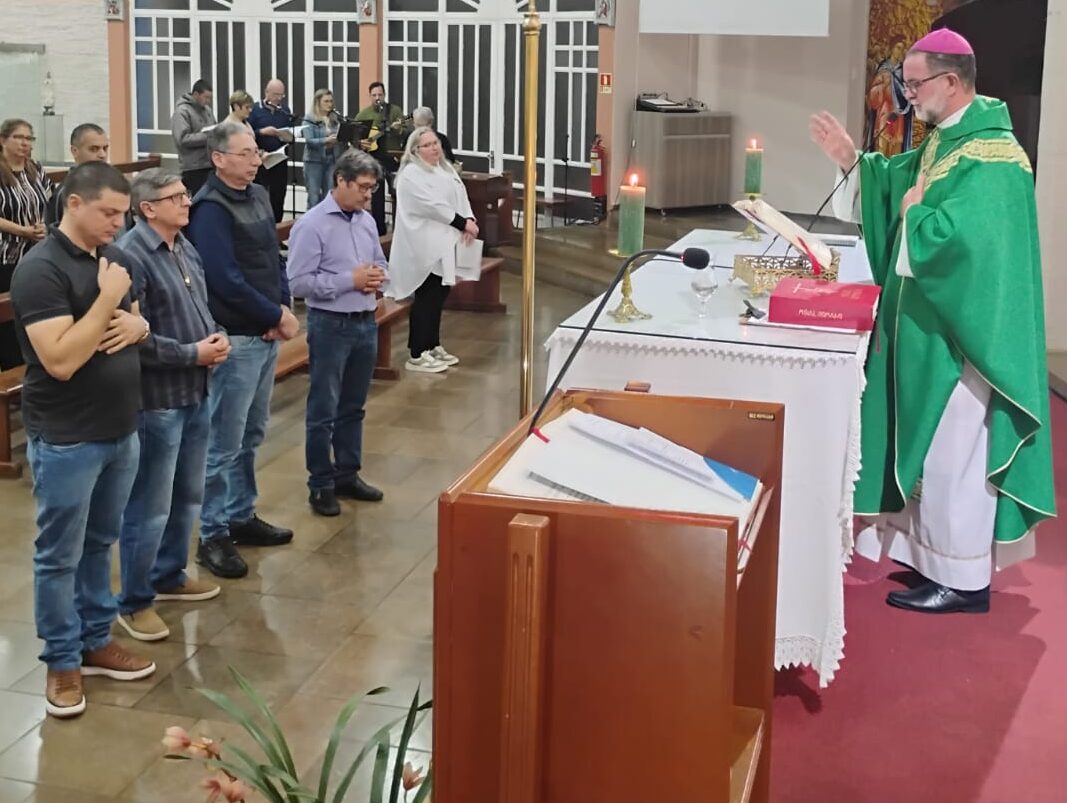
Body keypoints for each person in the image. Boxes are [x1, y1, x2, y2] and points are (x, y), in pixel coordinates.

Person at [810, 28, 1055, 614]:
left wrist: (916, 216)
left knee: (956, 455)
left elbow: (969, 246)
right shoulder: (947, 141)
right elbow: (898, 181)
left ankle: (963, 580)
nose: (908, 94)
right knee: (934, 451)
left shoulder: (995, 156)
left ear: (951, 81)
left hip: (965, 339)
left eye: (916, 83)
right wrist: (851, 162)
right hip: (930, 327)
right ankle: (931, 558)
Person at [10, 161, 156, 718]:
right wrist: (105, 300)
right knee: (59, 556)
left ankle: (95, 640)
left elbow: (133, 325)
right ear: (74, 203)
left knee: (100, 543)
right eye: (109, 212)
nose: (119, 224)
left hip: (121, 426)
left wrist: (140, 325)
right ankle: (62, 660)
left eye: (123, 213)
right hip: (68, 436)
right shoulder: (40, 270)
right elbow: (62, 359)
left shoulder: (116, 260)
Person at [114, 169, 230, 641]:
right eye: (176, 197)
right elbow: (130, 337)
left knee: (188, 495)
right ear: (147, 208)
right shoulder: (130, 256)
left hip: (196, 389)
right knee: (150, 505)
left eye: (185, 194)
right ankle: (134, 600)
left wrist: (216, 337)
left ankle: (169, 574)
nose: (187, 202)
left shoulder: (183, 245)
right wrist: (191, 354)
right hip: (158, 400)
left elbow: (200, 306)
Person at [186, 122, 300, 579]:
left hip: (266, 332)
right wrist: (273, 315)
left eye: (256, 152)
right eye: (246, 153)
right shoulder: (209, 208)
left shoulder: (256, 195)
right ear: (218, 158)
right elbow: (223, 278)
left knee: (252, 434)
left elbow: (273, 256)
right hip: (237, 338)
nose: (257, 160)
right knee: (223, 442)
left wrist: (284, 306)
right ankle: (211, 534)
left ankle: (240, 514)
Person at [287, 150, 386, 516]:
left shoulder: (365, 220)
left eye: (372, 188)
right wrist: (350, 281)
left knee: (353, 406)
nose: (368, 195)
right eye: (362, 187)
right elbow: (298, 283)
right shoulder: (312, 224)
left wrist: (378, 278)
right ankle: (321, 483)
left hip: (365, 321)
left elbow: (381, 262)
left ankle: (347, 473)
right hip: (330, 324)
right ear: (340, 180)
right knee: (324, 408)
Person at [386, 126, 478, 373]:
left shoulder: (445, 168)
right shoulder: (411, 174)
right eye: (426, 145)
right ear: (415, 150)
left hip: (445, 240)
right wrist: (461, 223)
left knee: (440, 293)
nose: (434, 148)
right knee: (426, 295)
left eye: (435, 142)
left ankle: (432, 343)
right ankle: (417, 352)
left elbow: (460, 195)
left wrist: (470, 219)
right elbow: (430, 205)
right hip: (423, 243)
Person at [0, 119, 54, 369]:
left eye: (29, 138)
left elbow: (51, 202)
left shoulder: (35, 169)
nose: (25, 143)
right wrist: (22, 230)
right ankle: (11, 366)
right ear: (3, 140)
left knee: (35, 308)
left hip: (37, 252)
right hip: (6, 254)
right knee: (10, 315)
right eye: (19, 137)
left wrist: (45, 225)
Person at [355, 82, 406, 235]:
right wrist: (361, 143)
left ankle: (399, 230)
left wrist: (399, 129)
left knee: (397, 193)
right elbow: (355, 136)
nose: (378, 98)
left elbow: (406, 131)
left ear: (384, 95)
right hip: (373, 160)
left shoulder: (394, 111)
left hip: (392, 158)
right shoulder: (364, 115)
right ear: (369, 96)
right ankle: (379, 231)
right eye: (374, 95)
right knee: (376, 197)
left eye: (380, 95)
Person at [248, 79, 295, 222]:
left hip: (279, 159)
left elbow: (289, 132)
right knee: (259, 196)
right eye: (275, 94)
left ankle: (277, 228)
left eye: (281, 95)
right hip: (260, 160)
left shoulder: (285, 111)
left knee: (278, 196)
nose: (279, 98)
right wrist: (262, 132)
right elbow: (247, 133)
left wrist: (288, 137)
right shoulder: (255, 110)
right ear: (266, 93)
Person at [46, 123, 111, 226]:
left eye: (105, 148)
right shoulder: (65, 194)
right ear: (75, 151)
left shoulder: (114, 186)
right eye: (94, 149)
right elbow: (56, 233)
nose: (102, 155)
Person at [171, 79, 217, 199]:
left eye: (210, 98)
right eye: (206, 97)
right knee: (197, 200)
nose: (208, 101)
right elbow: (182, 139)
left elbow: (214, 128)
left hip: (210, 163)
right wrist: (207, 136)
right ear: (196, 94)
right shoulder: (182, 112)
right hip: (193, 166)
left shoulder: (207, 110)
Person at [302, 88, 342, 209]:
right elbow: (309, 141)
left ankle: (327, 219)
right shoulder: (309, 118)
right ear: (318, 102)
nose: (329, 104)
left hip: (331, 160)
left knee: (329, 194)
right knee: (314, 196)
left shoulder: (335, 119)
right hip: (314, 161)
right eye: (326, 101)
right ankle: (311, 220)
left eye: (331, 101)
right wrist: (326, 140)